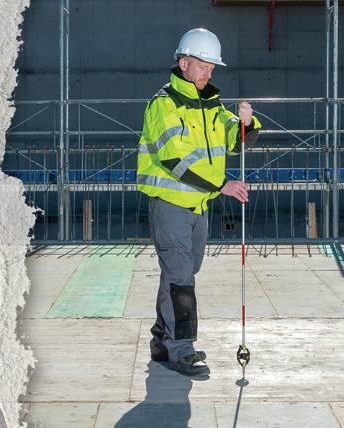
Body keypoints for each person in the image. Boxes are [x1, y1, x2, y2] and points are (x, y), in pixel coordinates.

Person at [136, 28, 261, 377]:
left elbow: (236, 141)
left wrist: (247, 123)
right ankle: (182, 351)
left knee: (180, 274)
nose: (209, 73)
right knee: (180, 278)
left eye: (212, 67)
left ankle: (162, 340)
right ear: (183, 63)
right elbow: (176, 159)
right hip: (170, 206)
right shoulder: (163, 105)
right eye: (203, 66)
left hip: (199, 207)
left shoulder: (212, 107)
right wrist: (222, 184)